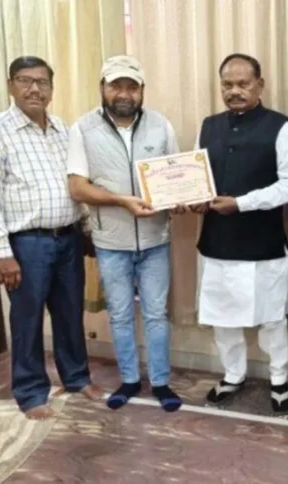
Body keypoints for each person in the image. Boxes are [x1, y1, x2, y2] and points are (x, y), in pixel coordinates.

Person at [0, 56, 103, 420]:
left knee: (70, 313)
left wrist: (86, 230)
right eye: (25, 80)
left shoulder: (63, 129)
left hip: (68, 238)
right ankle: (31, 393)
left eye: (42, 82)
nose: (34, 89)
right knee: (27, 319)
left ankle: (76, 377)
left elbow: (76, 183)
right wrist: (2, 252)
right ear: (11, 85)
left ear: (51, 88)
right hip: (26, 244)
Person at [67, 55, 184, 412]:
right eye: (115, 85)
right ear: (102, 88)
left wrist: (180, 200)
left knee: (156, 314)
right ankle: (130, 379)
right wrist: (121, 201)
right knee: (119, 315)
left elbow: (176, 177)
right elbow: (77, 187)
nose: (123, 93)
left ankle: (161, 382)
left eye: (132, 86)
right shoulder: (82, 129)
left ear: (142, 90)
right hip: (110, 243)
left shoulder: (161, 126)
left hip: (155, 239)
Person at [191, 53, 288, 415]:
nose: (234, 91)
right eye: (227, 84)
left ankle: (279, 380)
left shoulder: (280, 126)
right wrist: (194, 200)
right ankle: (233, 375)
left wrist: (241, 203)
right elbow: (197, 179)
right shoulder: (208, 126)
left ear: (260, 85)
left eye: (243, 84)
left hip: (263, 244)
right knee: (222, 318)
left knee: (272, 318)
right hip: (216, 243)